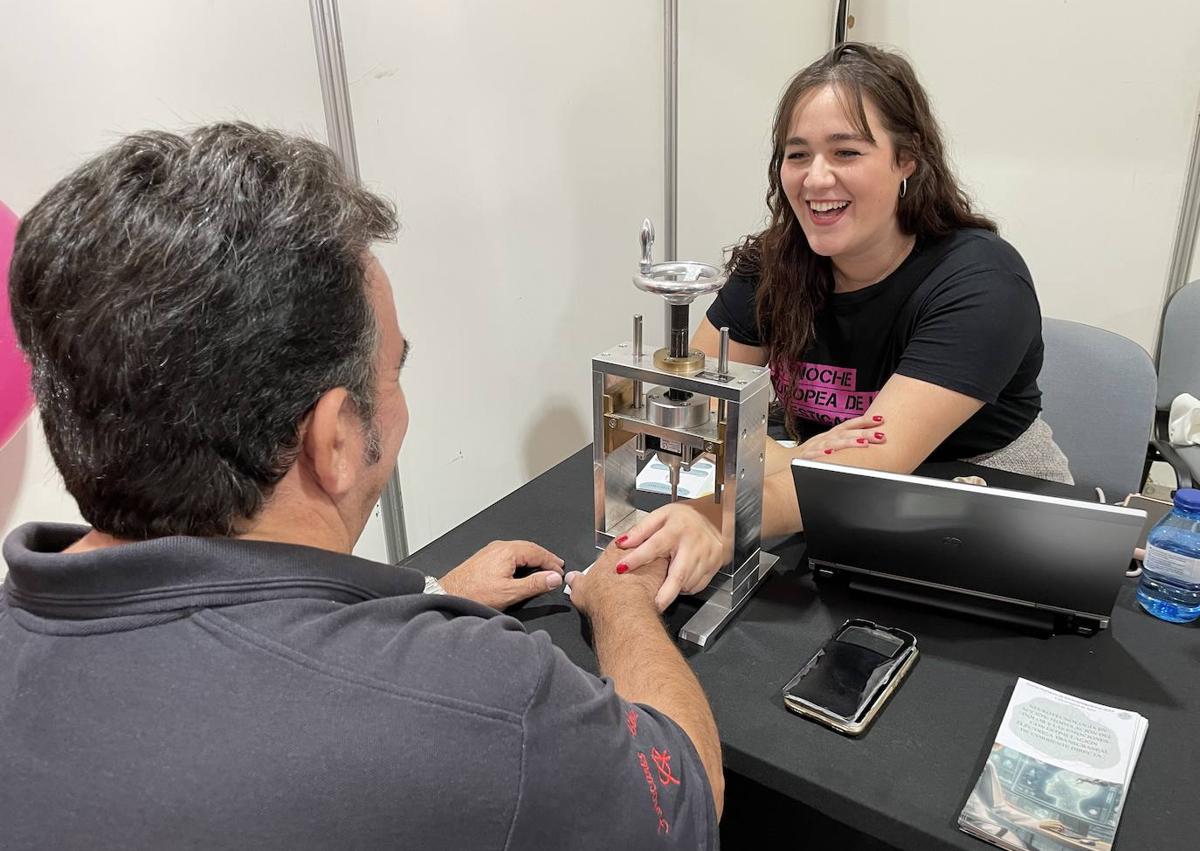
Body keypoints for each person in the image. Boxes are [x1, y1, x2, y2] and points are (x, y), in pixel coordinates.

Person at [0, 123, 720, 849]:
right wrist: (624, 601)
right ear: (335, 438)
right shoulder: (490, 701)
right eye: (393, 373)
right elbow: (688, 793)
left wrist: (427, 599)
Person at [613, 42, 1071, 608]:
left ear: (908, 158)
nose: (815, 179)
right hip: (820, 506)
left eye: (847, 152)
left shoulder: (980, 281)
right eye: (797, 154)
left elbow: (875, 462)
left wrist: (728, 509)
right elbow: (692, 417)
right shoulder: (773, 265)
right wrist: (805, 458)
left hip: (981, 512)